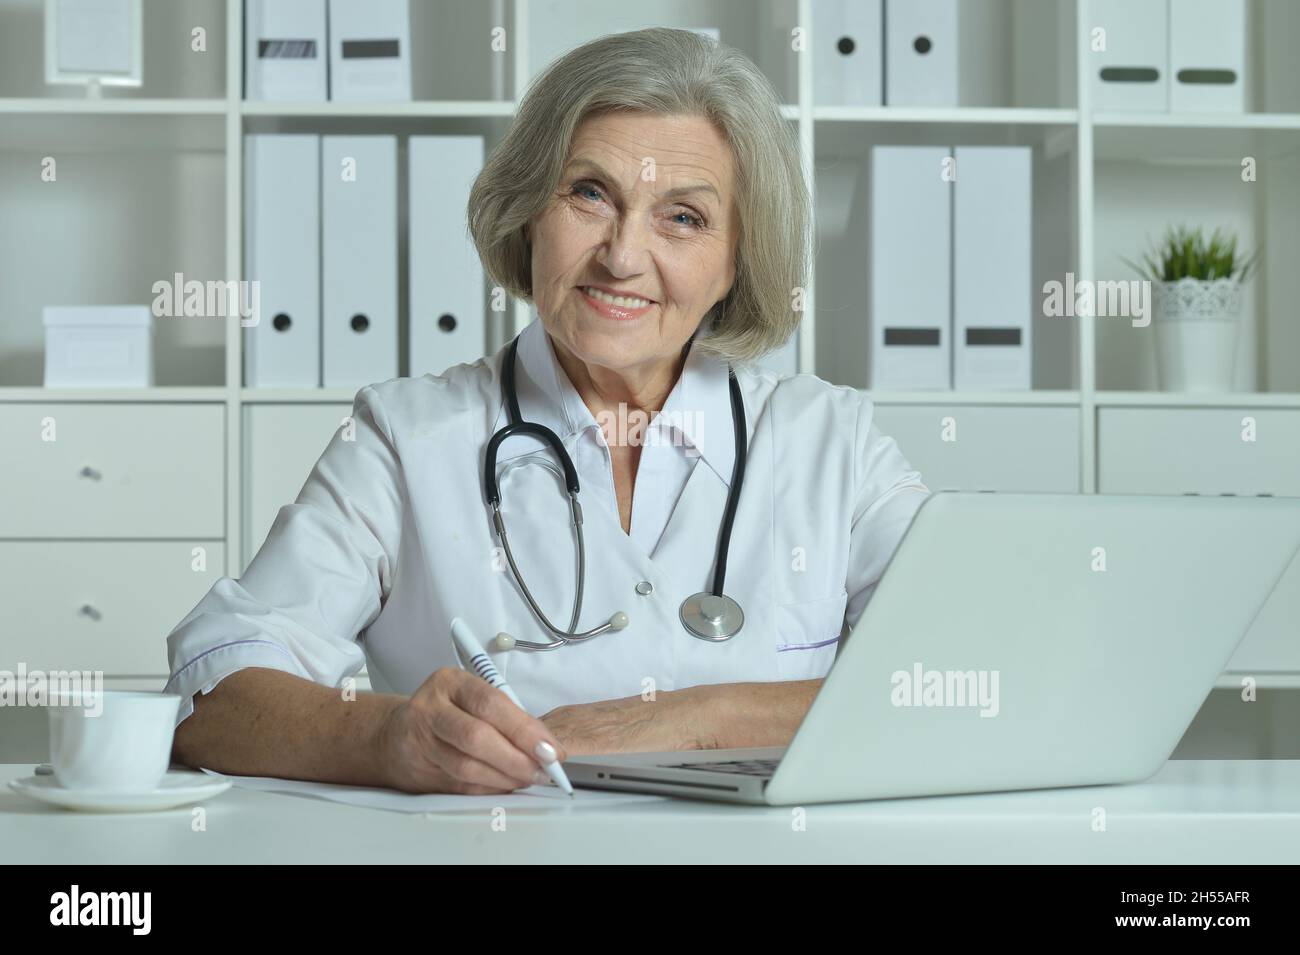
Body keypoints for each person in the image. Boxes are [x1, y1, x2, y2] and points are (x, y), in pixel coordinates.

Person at [167, 27, 930, 794]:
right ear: (530, 209)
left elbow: (981, 670)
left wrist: (690, 718)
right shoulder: (407, 437)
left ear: (737, 257)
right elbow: (213, 693)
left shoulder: (831, 442)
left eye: (684, 217)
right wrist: (386, 734)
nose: (623, 255)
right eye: (590, 193)